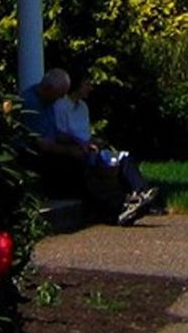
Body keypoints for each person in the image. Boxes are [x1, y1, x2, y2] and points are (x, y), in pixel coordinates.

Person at [34, 68, 159, 225]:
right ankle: (122, 206)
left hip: (89, 148)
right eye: (87, 84)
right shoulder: (60, 107)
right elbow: (60, 134)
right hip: (75, 151)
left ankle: (141, 193)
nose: (90, 88)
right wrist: (80, 144)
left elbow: (85, 133)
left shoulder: (83, 108)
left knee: (123, 158)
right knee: (91, 170)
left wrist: (94, 142)